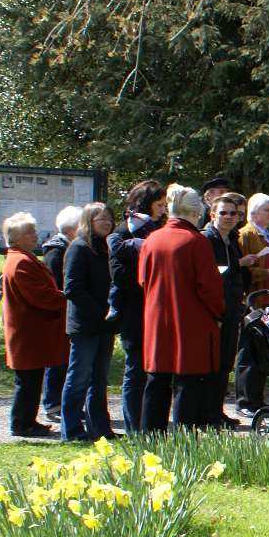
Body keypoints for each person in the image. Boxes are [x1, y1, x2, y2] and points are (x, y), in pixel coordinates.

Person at [140, 186, 225, 431]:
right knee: (188, 383)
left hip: (157, 319)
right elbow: (209, 287)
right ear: (196, 211)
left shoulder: (152, 239)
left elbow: (142, 280)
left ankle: (150, 437)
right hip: (191, 321)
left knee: (156, 381)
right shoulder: (196, 241)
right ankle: (184, 439)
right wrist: (219, 312)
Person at [0, 212, 68, 438]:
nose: (34, 235)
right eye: (29, 232)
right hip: (27, 332)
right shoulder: (20, 262)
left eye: (33, 231)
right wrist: (67, 297)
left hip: (31, 331)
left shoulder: (22, 258)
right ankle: (21, 424)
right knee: (27, 381)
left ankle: (27, 421)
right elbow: (40, 296)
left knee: (32, 379)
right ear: (16, 237)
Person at [107, 179, 166, 431]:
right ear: (146, 204)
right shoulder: (124, 233)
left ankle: (149, 422)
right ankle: (133, 425)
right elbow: (118, 275)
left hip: (156, 309)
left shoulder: (158, 230)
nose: (163, 209)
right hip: (134, 309)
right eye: (159, 204)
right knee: (136, 368)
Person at [61, 202, 116, 442]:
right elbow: (72, 288)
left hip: (105, 324)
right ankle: (71, 429)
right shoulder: (79, 248)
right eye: (99, 218)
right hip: (85, 324)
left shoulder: (107, 248)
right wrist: (99, 310)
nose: (105, 222)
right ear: (88, 222)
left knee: (99, 378)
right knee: (79, 376)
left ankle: (99, 428)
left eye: (108, 218)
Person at [235, 193, 269, 414]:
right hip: (252, 301)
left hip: (267, 300)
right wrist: (267, 272)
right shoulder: (247, 235)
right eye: (267, 209)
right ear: (253, 213)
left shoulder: (267, 236)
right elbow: (242, 271)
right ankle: (246, 402)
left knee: (261, 351)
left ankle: (257, 399)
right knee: (248, 351)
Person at [203, 192, 248, 427]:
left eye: (234, 213)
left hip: (231, 309)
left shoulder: (231, 240)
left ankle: (217, 411)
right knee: (213, 363)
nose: (229, 217)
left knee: (225, 363)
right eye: (223, 213)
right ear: (212, 215)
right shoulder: (207, 240)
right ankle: (208, 413)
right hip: (215, 312)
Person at [38, 205, 78, 423]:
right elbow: (57, 283)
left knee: (65, 358)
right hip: (58, 313)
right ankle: (52, 403)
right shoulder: (56, 251)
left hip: (66, 311)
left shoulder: (66, 247)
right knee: (57, 359)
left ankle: (60, 402)